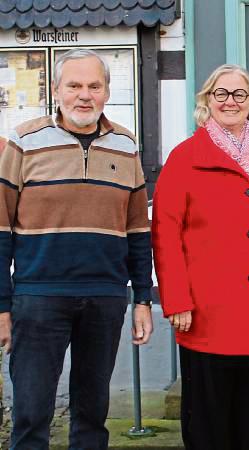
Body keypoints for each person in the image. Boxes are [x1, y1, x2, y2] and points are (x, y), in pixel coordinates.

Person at [0, 48, 154, 449]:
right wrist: (2, 306)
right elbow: (0, 230)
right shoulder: (23, 142)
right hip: (38, 296)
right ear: (57, 90)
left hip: (105, 296)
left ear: (106, 92)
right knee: (31, 414)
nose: (84, 95)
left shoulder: (125, 145)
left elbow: (138, 228)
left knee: (92, 415)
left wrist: (141, 298)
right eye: (74, 86)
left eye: (94, 86)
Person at [152, 64, 249, 450]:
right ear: (207, 101)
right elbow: (165, 232)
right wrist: (176, 300)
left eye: (240, 94)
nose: (230, 101)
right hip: (205, 310)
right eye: (221, 93)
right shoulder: (185, 157)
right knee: (208, 421)